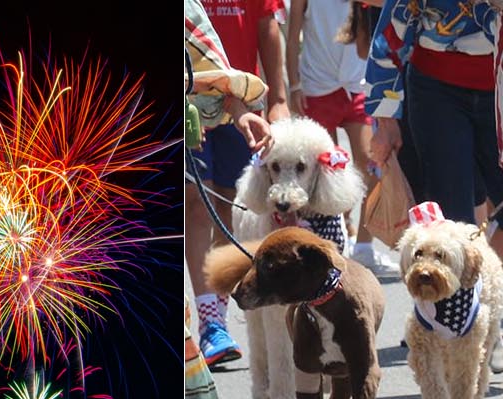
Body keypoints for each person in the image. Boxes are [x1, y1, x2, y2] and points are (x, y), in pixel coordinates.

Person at [368, 1, 501, 253]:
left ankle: (489, 286)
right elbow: (391, 33)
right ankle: (461, 291)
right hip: (437, 94)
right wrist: (385, 121)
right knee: (452, 219)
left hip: (499, 86)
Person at [186, 0, 274, 369]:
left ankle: (212, 321)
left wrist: (241, 112)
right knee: (194, 201)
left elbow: (208, 65)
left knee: (223, 206)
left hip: (198, 115)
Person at [286, 0, 395, 276]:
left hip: (357, 85)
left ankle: (364, 248)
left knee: (373, 165)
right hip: (316, 86)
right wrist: (294, 84)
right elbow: (291, 35)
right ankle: (331, 241)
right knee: (323, 171)